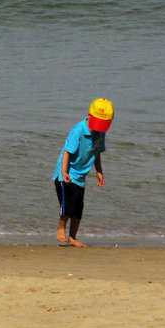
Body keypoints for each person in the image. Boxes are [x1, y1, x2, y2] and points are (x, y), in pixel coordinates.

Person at [52, 98, 114, 247]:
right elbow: (67, 152)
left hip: (81, 175)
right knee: (68, 204)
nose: (100, 127)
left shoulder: (100, 134)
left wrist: (99, 171)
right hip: (66, 173)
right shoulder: (78, 130)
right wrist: (64, 172)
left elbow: (96, 152)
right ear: (89, 115)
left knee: (78, 209)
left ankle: (72, 237)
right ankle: (61, 228)